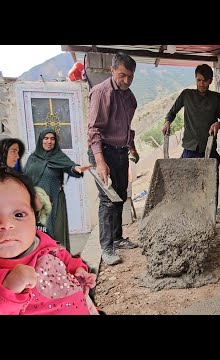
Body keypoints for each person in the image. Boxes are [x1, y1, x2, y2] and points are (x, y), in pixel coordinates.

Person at [0, 169, 98, 315]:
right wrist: (9, 290)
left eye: (18, 214)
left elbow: (65, 259)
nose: (6, 224)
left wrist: (78, 270)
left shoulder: (42, 241)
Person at [87, 51, 140, 266]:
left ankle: (117, 238)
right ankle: (107, 247)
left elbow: (127, 127)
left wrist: (132, 148)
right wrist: (100, 162)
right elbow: (94, 131)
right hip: (103, 152)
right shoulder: (101, 93)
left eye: (130, 76)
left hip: (120, 151)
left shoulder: (130, 97)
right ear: (112, 71)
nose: (126, 80)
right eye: (122, 75)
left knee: (120, 196)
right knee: (108, 200)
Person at [162, 64, 220, 205]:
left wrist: (218, 124)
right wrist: (167, 122)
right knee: (188, 187)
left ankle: (210, 219)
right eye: (198, 80)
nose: (201, 84)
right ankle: (189, 219)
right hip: (189, 150)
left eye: (204, 80)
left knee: (210, 187)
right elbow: (171, 113)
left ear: (210, 80)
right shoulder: (186, 95)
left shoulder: (217, 98)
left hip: (209, 150)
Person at [24, 128, 91, 252]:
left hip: (54, 200)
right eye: (46, 138)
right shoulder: (33, 159)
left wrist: (76, 169)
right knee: (38, 233)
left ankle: (59, 262)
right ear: (41, 140)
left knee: (56, 232)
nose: (49, 141)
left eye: (52, 139)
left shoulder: (58, 157)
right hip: (36, 203)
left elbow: (70, 167)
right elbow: (25, 178)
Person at [0, 138, 50, 233]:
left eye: (18, 152)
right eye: (13, 151)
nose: (17, 156)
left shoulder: (19, 177)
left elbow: (37, 206)